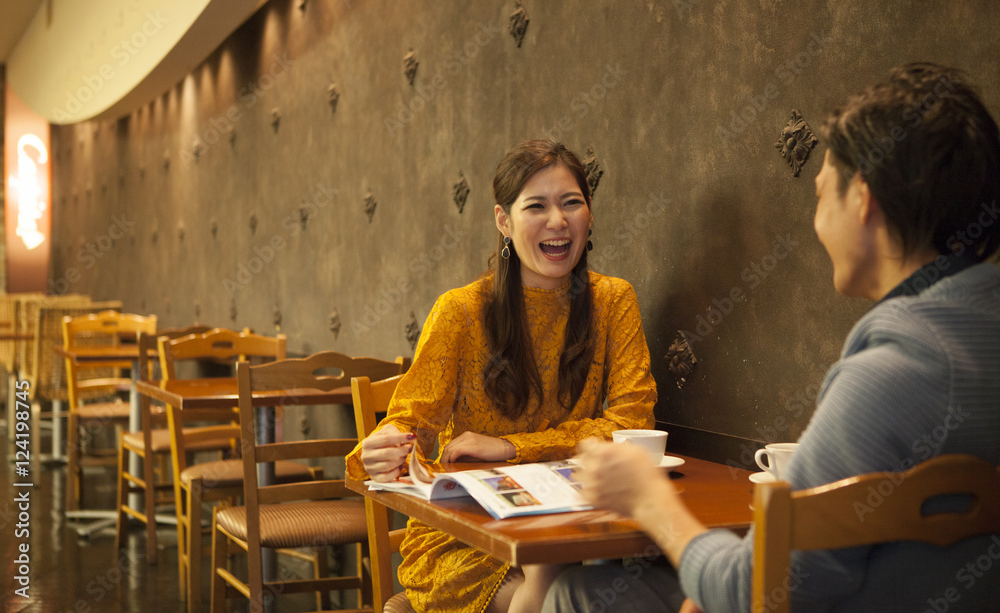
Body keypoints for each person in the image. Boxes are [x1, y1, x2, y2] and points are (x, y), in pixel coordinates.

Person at [542, 62, 1000, 612]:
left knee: (578, 591)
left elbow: (750, 592)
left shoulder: (889, 375)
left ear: (862, 199)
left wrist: (648, 498)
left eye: (820, 193)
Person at [345, 139, 658, 613]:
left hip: (576, 526)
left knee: (598, 582)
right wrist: (386, 445)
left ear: (589, 215)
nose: (558, 220)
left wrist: (514, 448)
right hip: (468, 534)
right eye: (537, 206)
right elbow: (413, 421)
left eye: (572, 202)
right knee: (557, 588)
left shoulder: (614, 301)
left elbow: (632, 424)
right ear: (503, 221)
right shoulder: (462, 311)